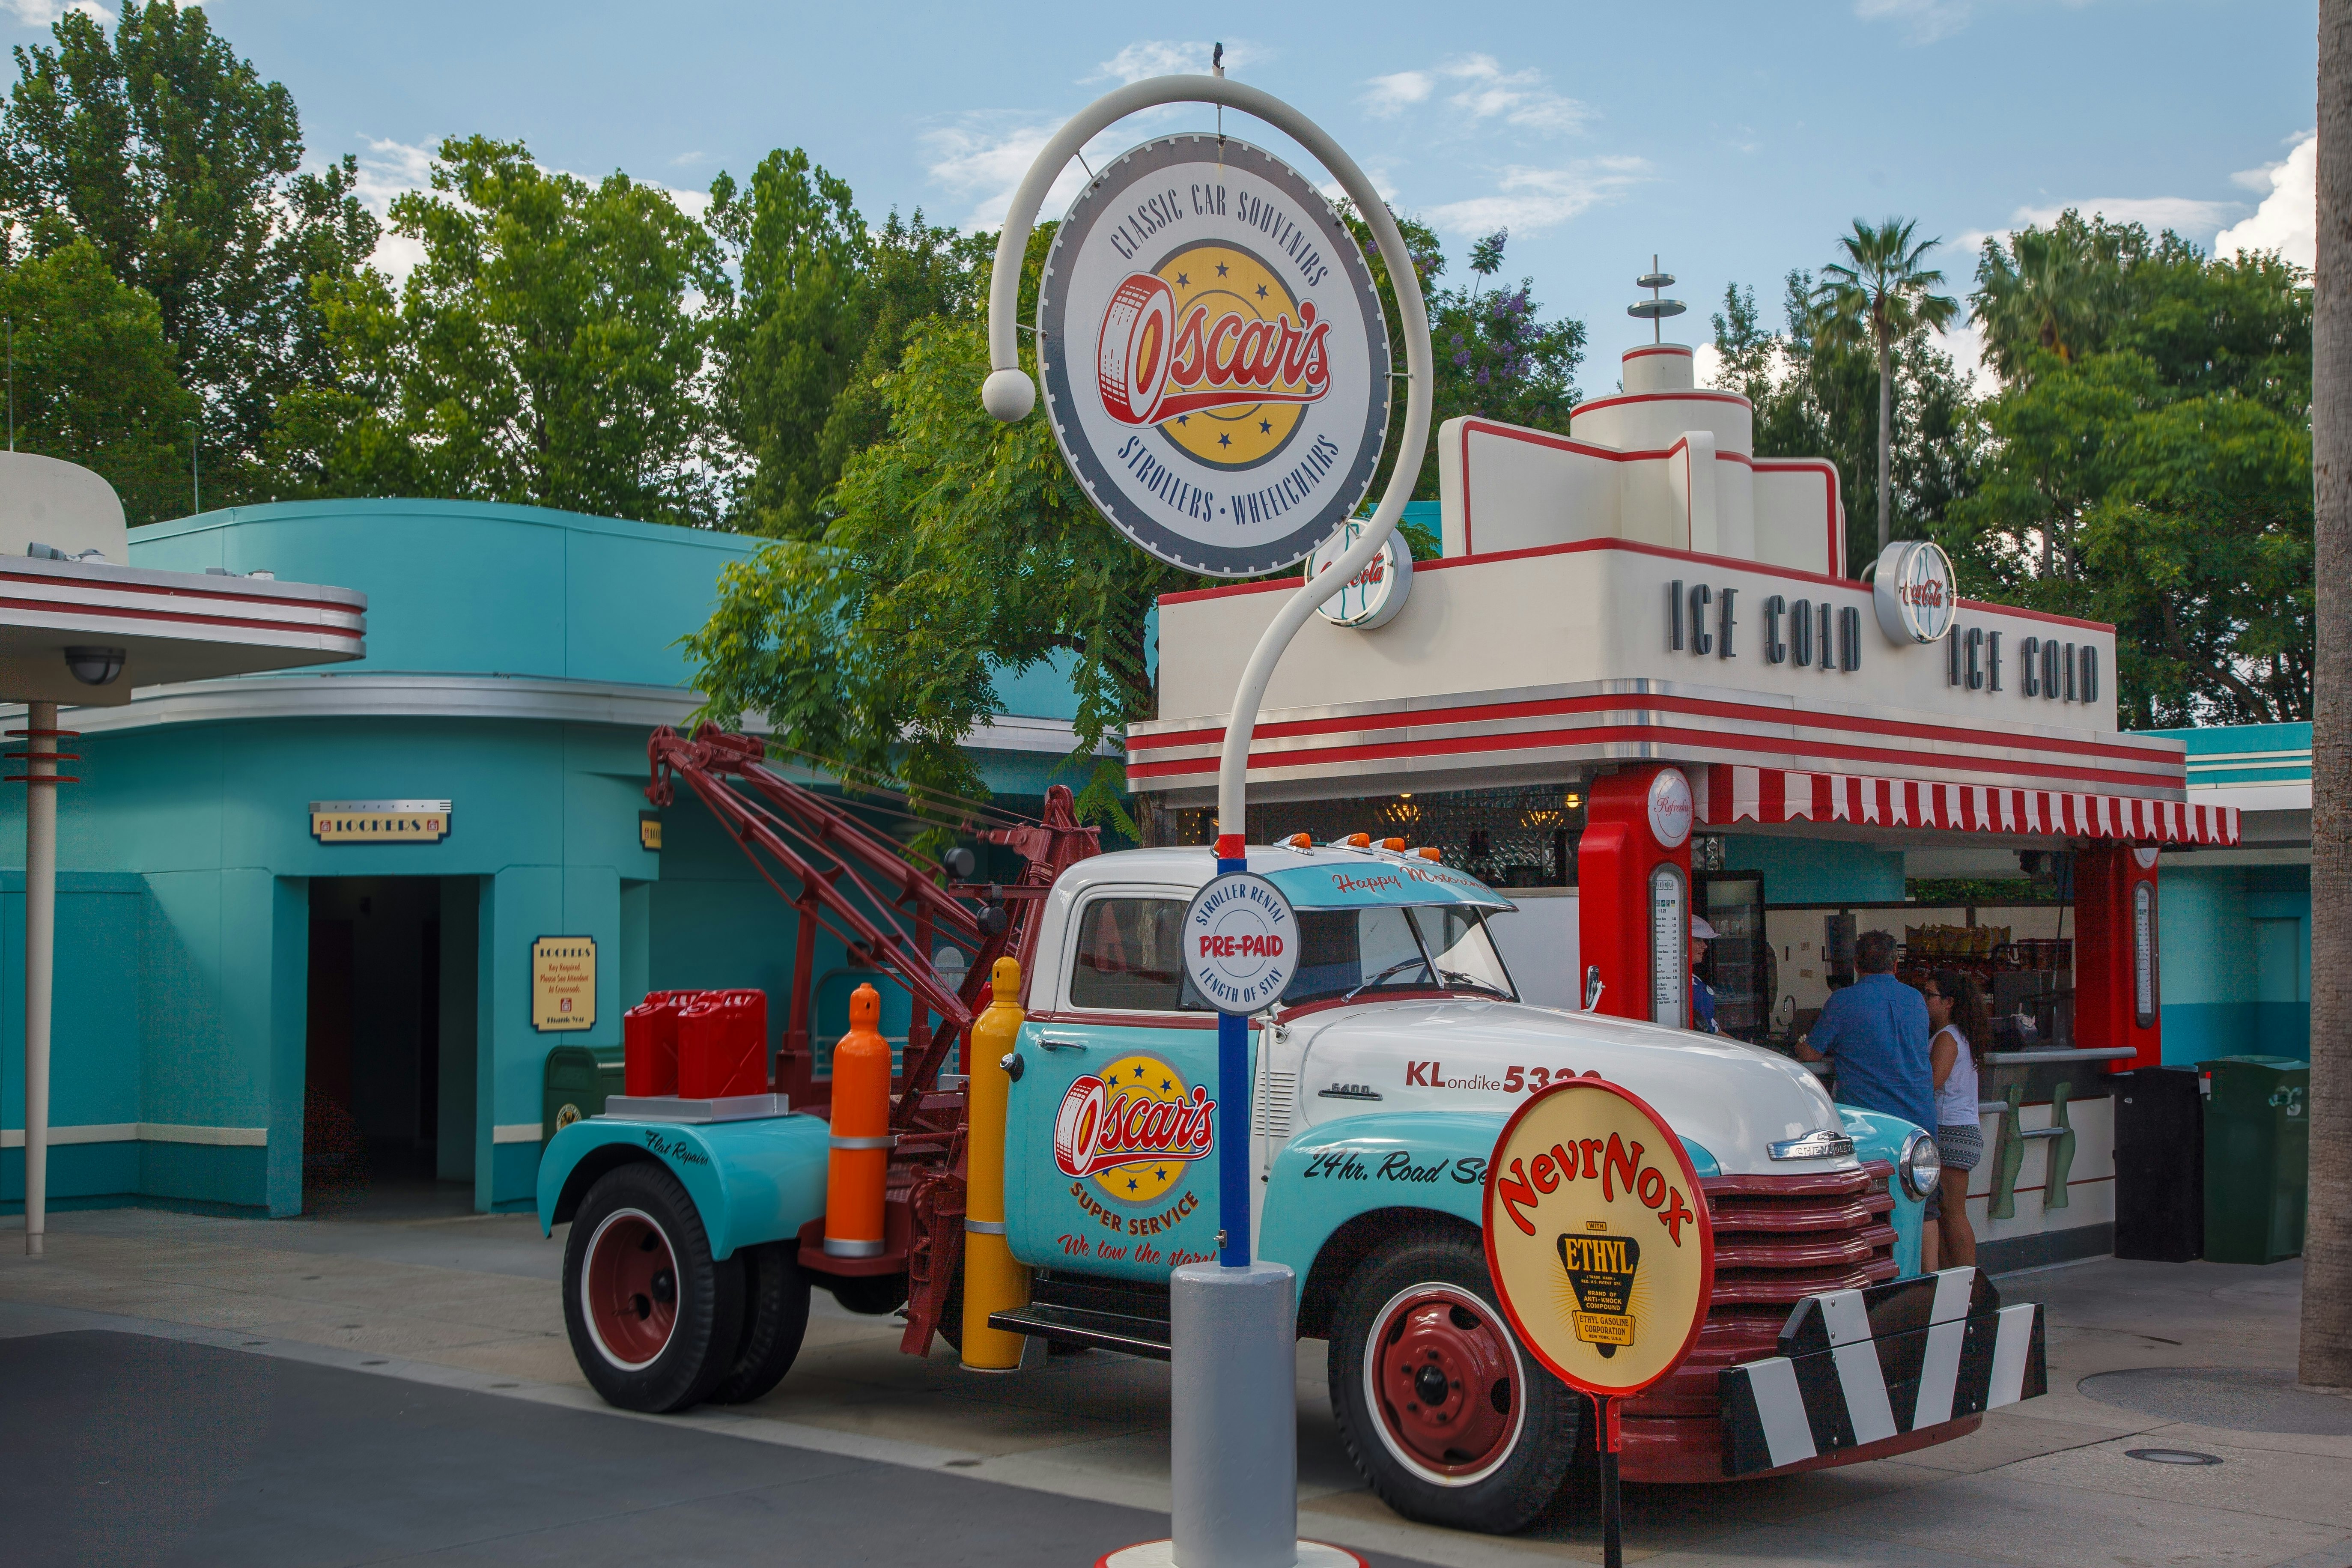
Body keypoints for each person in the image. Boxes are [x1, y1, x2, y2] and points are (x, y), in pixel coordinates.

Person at [1795, 929, 1935, 1251]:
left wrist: (1801, 1044)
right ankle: (1928, 1282)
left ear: (1857, 964)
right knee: (1924, 1210)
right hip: (1919, 1121)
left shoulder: (1843, 1001)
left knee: (1869, 1213)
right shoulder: (1915, 999)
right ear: (1895, 964)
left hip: (1871, 1129)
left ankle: (1875, 1282)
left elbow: (1812, 1054)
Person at [1919, 969, 1988, 1270]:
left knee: (1952, 1212)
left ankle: (1967, 1283)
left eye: (1930, 995)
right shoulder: (1956, 1035)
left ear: (1948, 1002)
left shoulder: (1947, 1038)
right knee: (1947, 1213)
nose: (1924, 1000)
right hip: (1961, 1129)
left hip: (1950, 1130)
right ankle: (1957, 1280)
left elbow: (1933, 1081)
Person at [1689, 916, 1720, 1033]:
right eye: (1698, 940)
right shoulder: (1674, 982)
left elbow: (1712, 1026)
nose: (1705, 946)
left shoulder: (1696, 980)